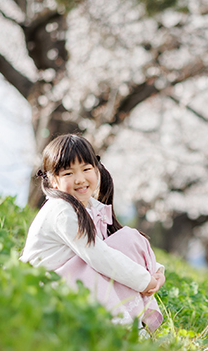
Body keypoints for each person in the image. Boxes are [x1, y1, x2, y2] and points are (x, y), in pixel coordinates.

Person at [20, 134, 165, 333]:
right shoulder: (62, 210)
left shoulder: (90, 207)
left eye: (86, 169)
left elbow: (112, 248)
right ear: (53, 181)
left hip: (70, 280)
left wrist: (155, 273)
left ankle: (138, 321)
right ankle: (123, 327)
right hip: (44, 287)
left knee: (128, 238)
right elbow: (99, 256)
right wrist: (144, 281)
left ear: (96, 170)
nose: (80, 179)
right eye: (68, 173)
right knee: (96, 266)